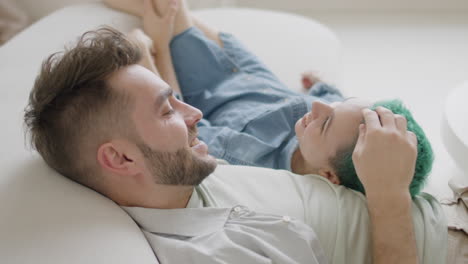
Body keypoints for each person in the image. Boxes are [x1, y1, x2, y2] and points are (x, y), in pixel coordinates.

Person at [24, 0, 448, 263]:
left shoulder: (188, 170)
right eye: (166, 110)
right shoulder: (216, 250)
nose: (192, 111)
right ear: (121, 158)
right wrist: (389, 194)